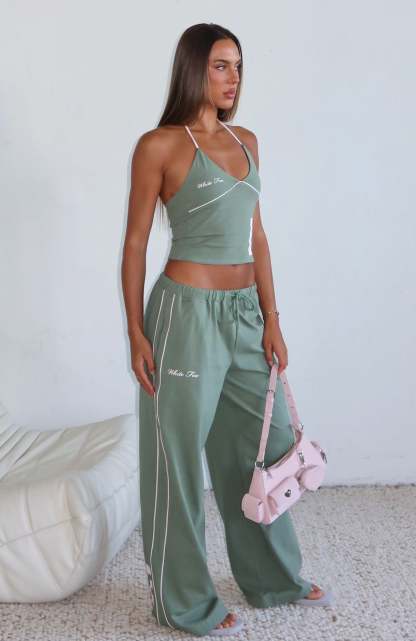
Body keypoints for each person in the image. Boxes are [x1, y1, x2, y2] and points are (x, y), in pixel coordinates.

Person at [121, 22, 331, 638]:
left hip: (244, 315)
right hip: (183, 316)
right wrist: (135, 331)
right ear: (194, 69)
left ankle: (273, 577)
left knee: (264, 444)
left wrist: (272, 320)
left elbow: (257, 237)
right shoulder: (159, 145)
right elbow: (135, 243)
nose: (233, 77)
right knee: (177, 461)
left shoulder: (247, 141)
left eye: (238, 65)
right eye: (220, 65)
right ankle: (184, 602)